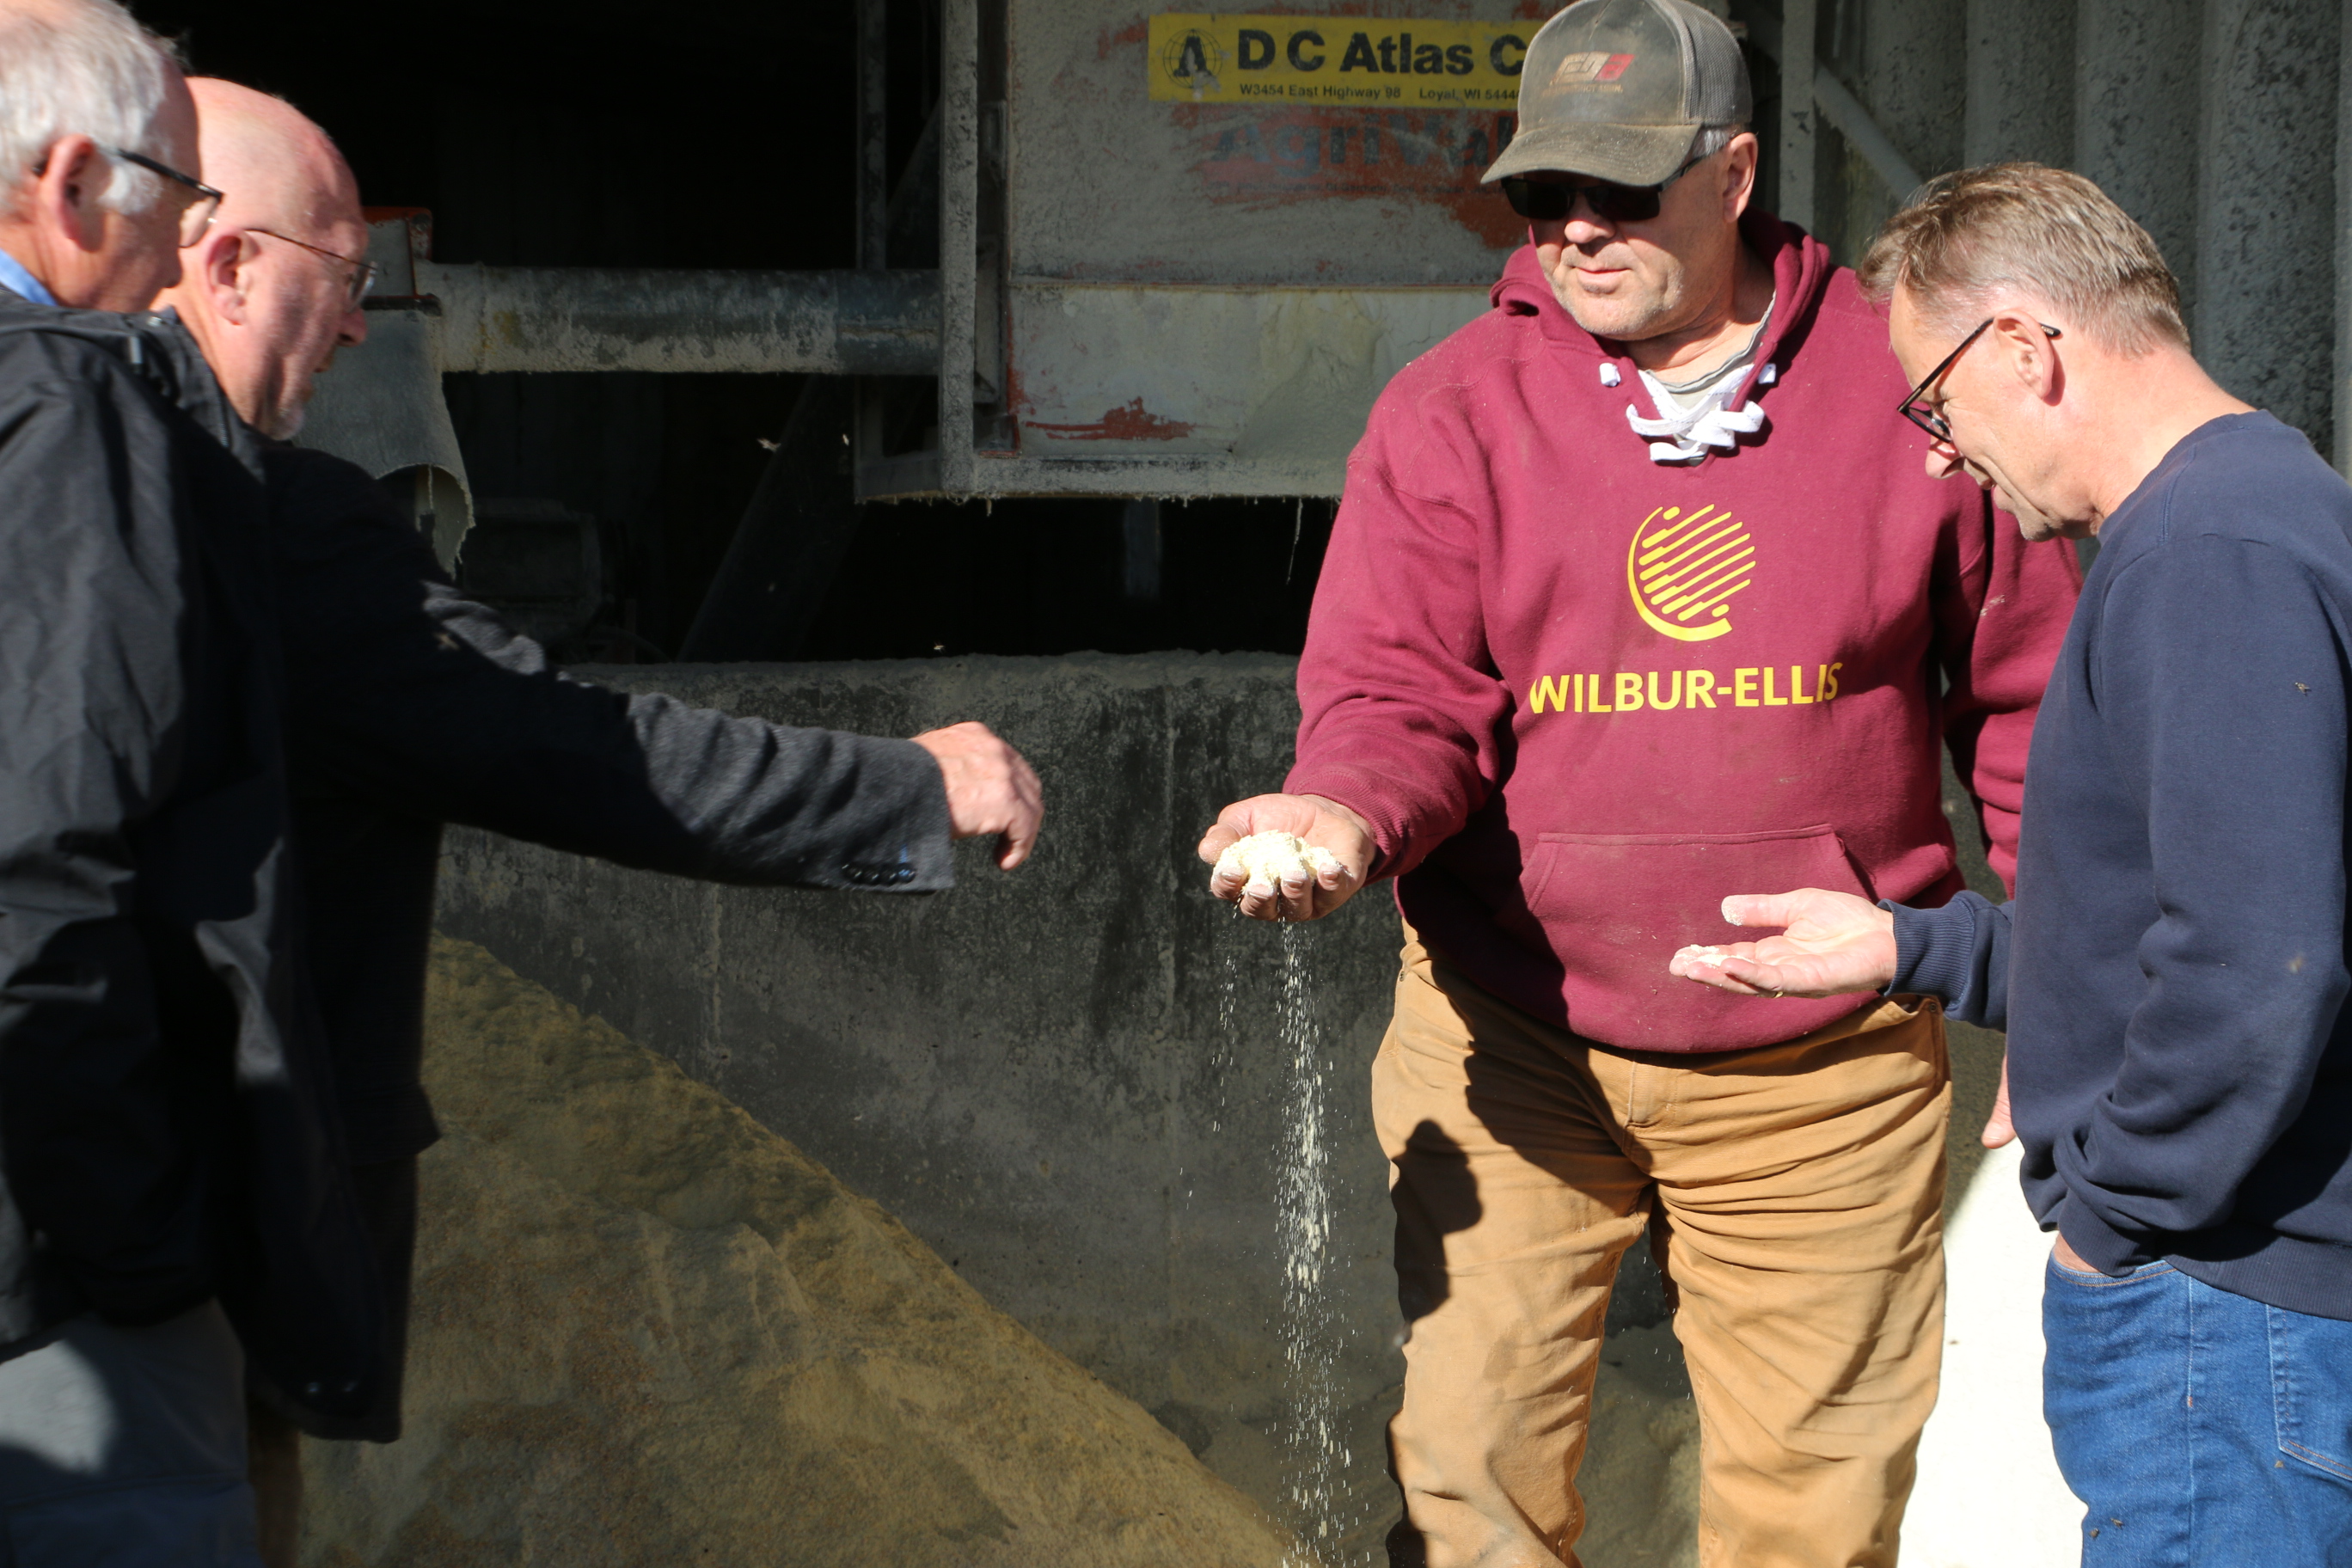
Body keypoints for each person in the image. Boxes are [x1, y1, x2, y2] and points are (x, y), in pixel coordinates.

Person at [1197, 2, 2083, 1562]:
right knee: (1472, 1480)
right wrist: (1340, 813)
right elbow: (1400, 691)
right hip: (1510, 1032)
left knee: (1814, 1516)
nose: (1578, 233)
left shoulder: (1907, 388)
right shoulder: (1455, 409)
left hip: (1824, 1065)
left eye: (1622, 193)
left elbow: (2030, 710)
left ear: (1736, 172)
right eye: (1545, 198)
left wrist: (2066, 993)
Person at [148, 77, 1044, 1563]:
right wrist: (906, 784)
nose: (363, 329)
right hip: (187, 1215)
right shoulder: (274, 522)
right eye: (344, 281)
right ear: (228, 260)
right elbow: (556, 747)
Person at [1672, 162, 2352, 1563]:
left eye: (1935, 400)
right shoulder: (2259, 513)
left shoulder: (2207, 555)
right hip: (2247, 1302)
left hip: (2226, 1313)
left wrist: (2113, 1218)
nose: (1935, 451)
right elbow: (2197, 912)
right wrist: (1915, 946)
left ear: (2030, 352)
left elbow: (2256, 961)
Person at [0, 4, 388, 1563]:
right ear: (78, 181)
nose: (180, 268)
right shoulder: (71, 403)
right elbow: (38, 876)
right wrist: (151, 1252)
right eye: (175, 202)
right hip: (61, 1303)